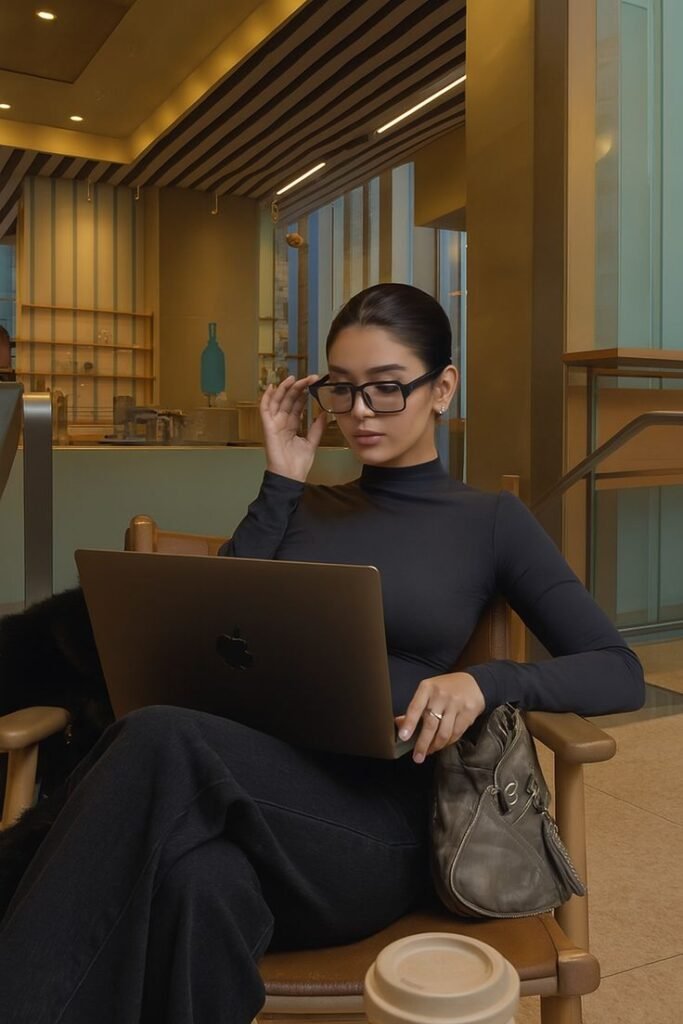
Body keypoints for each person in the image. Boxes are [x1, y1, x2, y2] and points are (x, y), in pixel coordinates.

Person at [0, 283, 644, 1024]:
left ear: (442, 388)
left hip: (374, 832)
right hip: (246, 800)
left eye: (386, 390)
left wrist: (482, 681)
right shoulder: (300, 507)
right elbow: (203, 638)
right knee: (197, 884)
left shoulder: (490, 521)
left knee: (159, 737)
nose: (359, 413)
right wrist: (279, 481)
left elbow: (615, 669)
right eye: (341, 391)